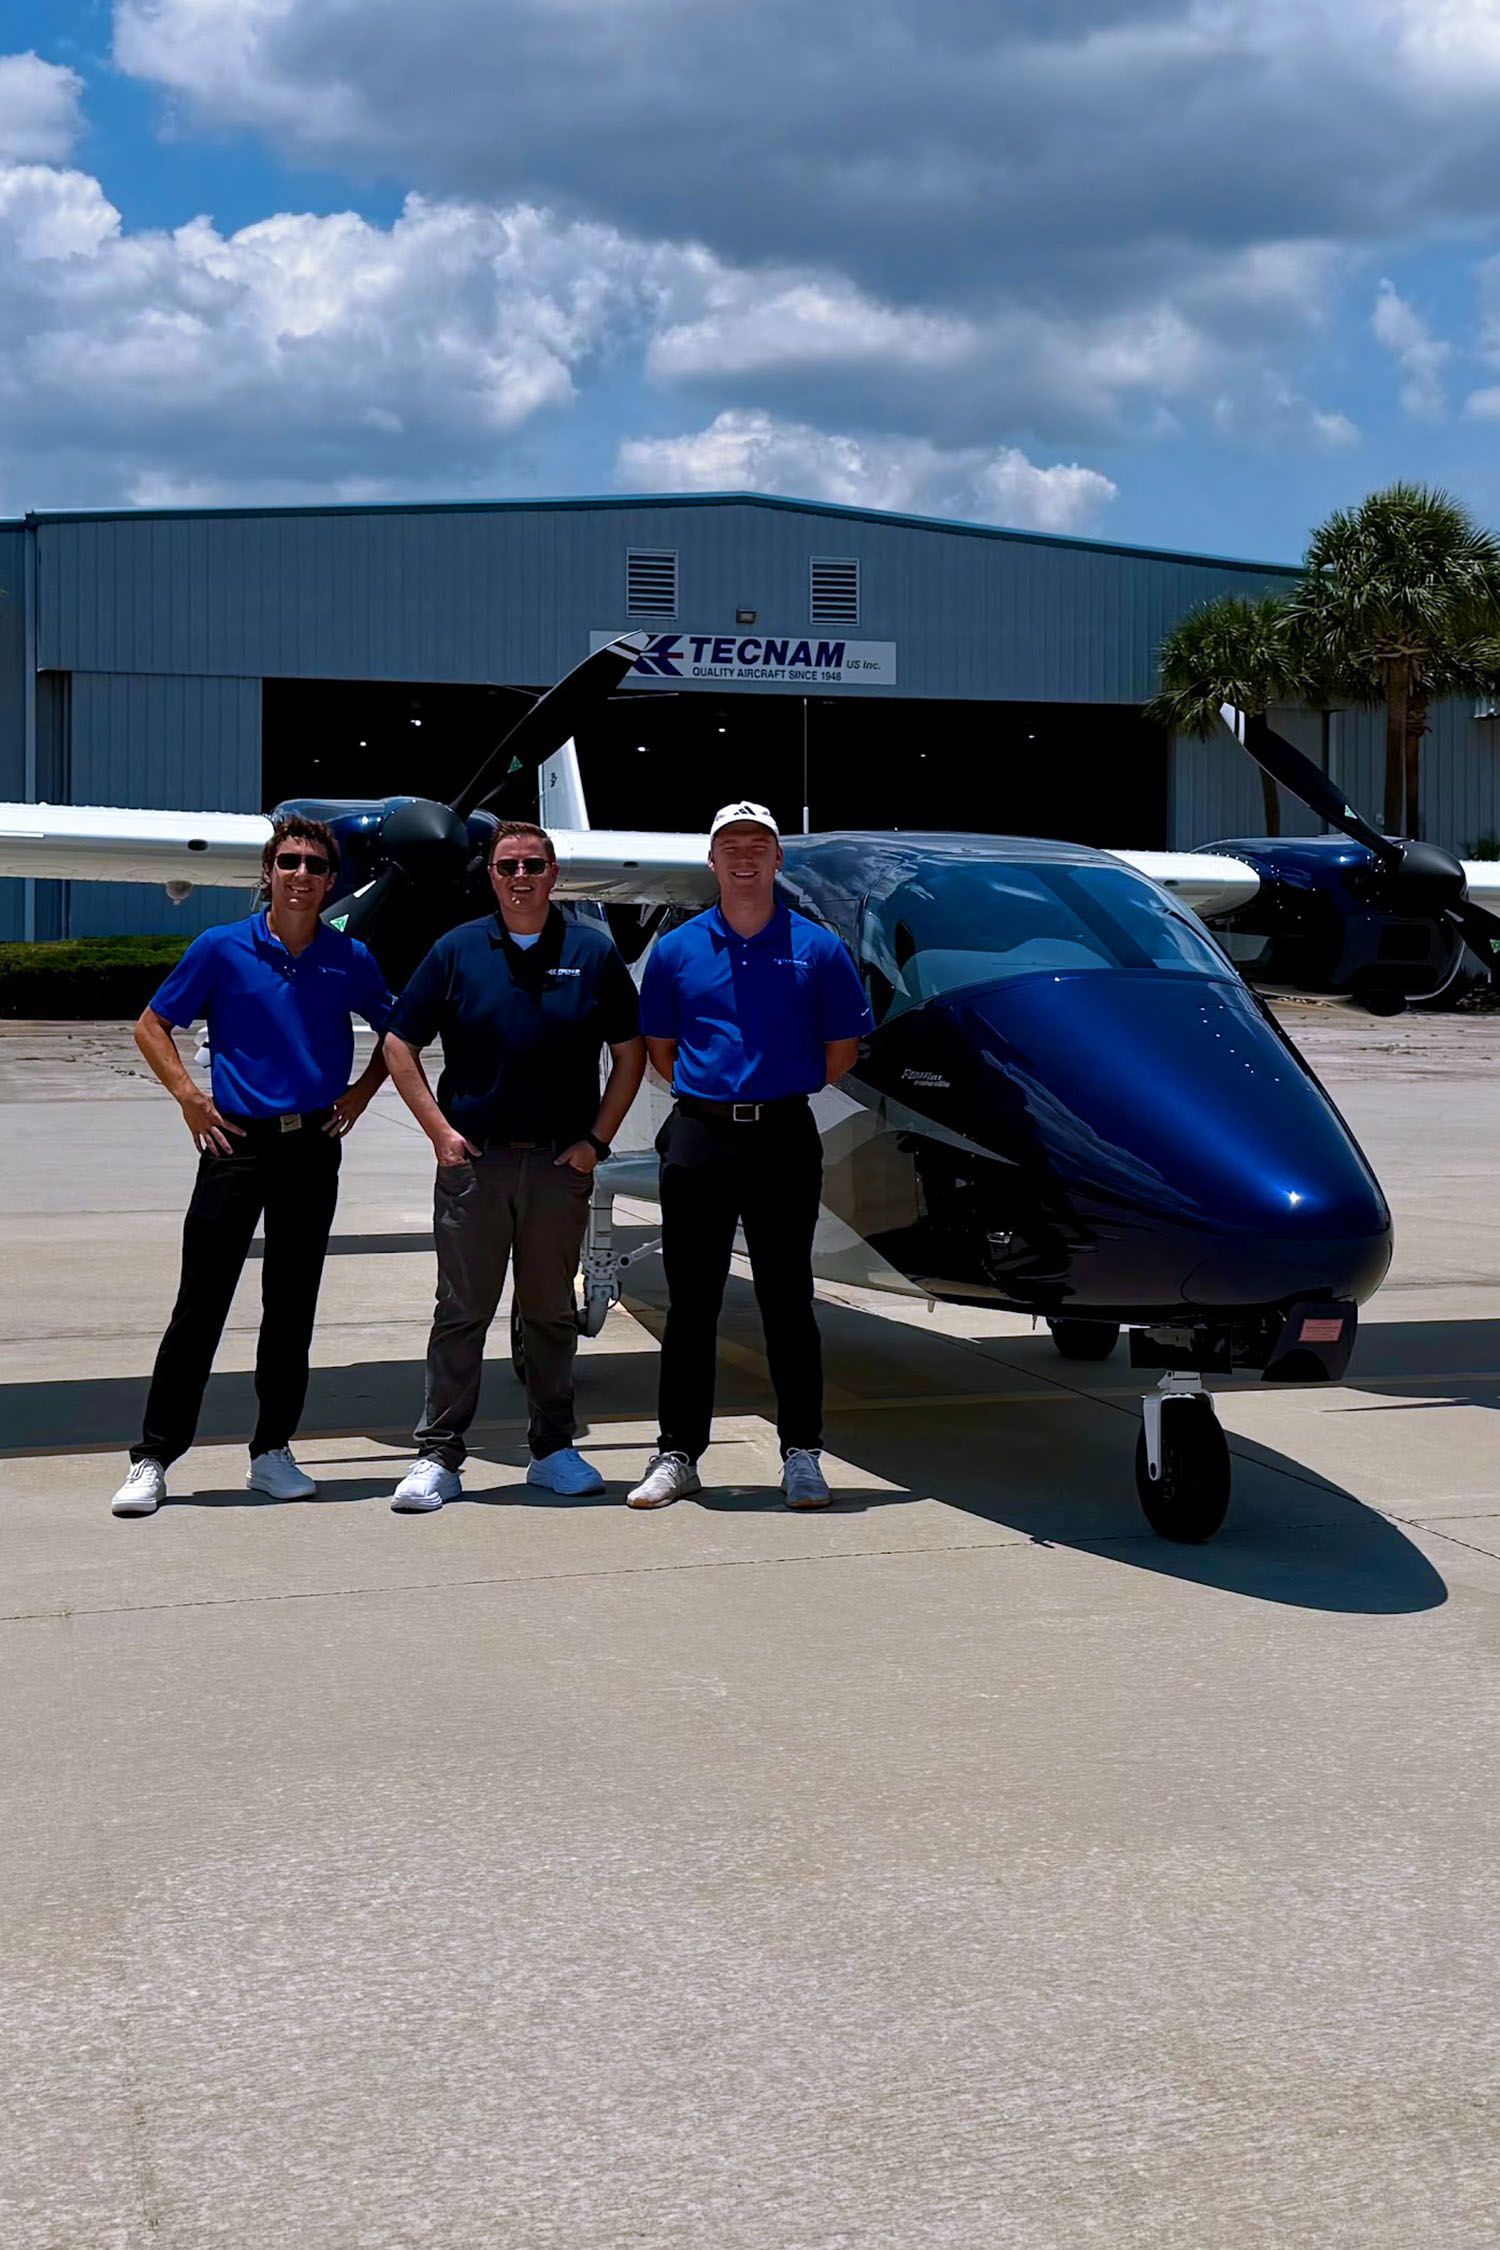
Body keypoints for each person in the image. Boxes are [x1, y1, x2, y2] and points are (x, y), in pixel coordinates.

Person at [111, 817, 393, 1516]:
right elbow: (152, 1025)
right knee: (200, 1305)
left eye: (315, 865)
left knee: (291, 1306)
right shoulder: (221, 949)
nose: (301, 875)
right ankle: (154, 1456)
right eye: (289, 862)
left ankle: (271, 1451)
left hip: (310, 1147)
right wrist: (189, 1099)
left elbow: (402, 1032)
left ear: (333, 881)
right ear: (267, 873)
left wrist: (358, 1096)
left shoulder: (350, 957)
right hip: (234, 1144)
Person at [383, 820, 645, 1508]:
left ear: (554, 874)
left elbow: (630, 1055)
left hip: (559, 1168)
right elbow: (398, 1044)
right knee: (461, 1311)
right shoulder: (455, 950)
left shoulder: (592, 954)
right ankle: (439, 1453)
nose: (521, 877)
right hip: (477, 1165)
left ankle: (553, 1447)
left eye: (533, 865)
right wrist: (438, 1131)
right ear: (490, 877)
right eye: (507, 867)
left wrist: (597, 1142)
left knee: (550, 1313)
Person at [627, 800, 872, 1511]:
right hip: (701, 1134)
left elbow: (841, 1051)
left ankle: (802, 1453)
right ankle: (678, 1453)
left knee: (788, 1299)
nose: (743, 857)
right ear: (711, 861)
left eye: (757, 845)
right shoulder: (678, 951)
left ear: (777, 860)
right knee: (691, 1303)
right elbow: (661, 1051)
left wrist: (770, 1089)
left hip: (782, 1136)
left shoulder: (818, 948)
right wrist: (718, 1093)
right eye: (730, 845)